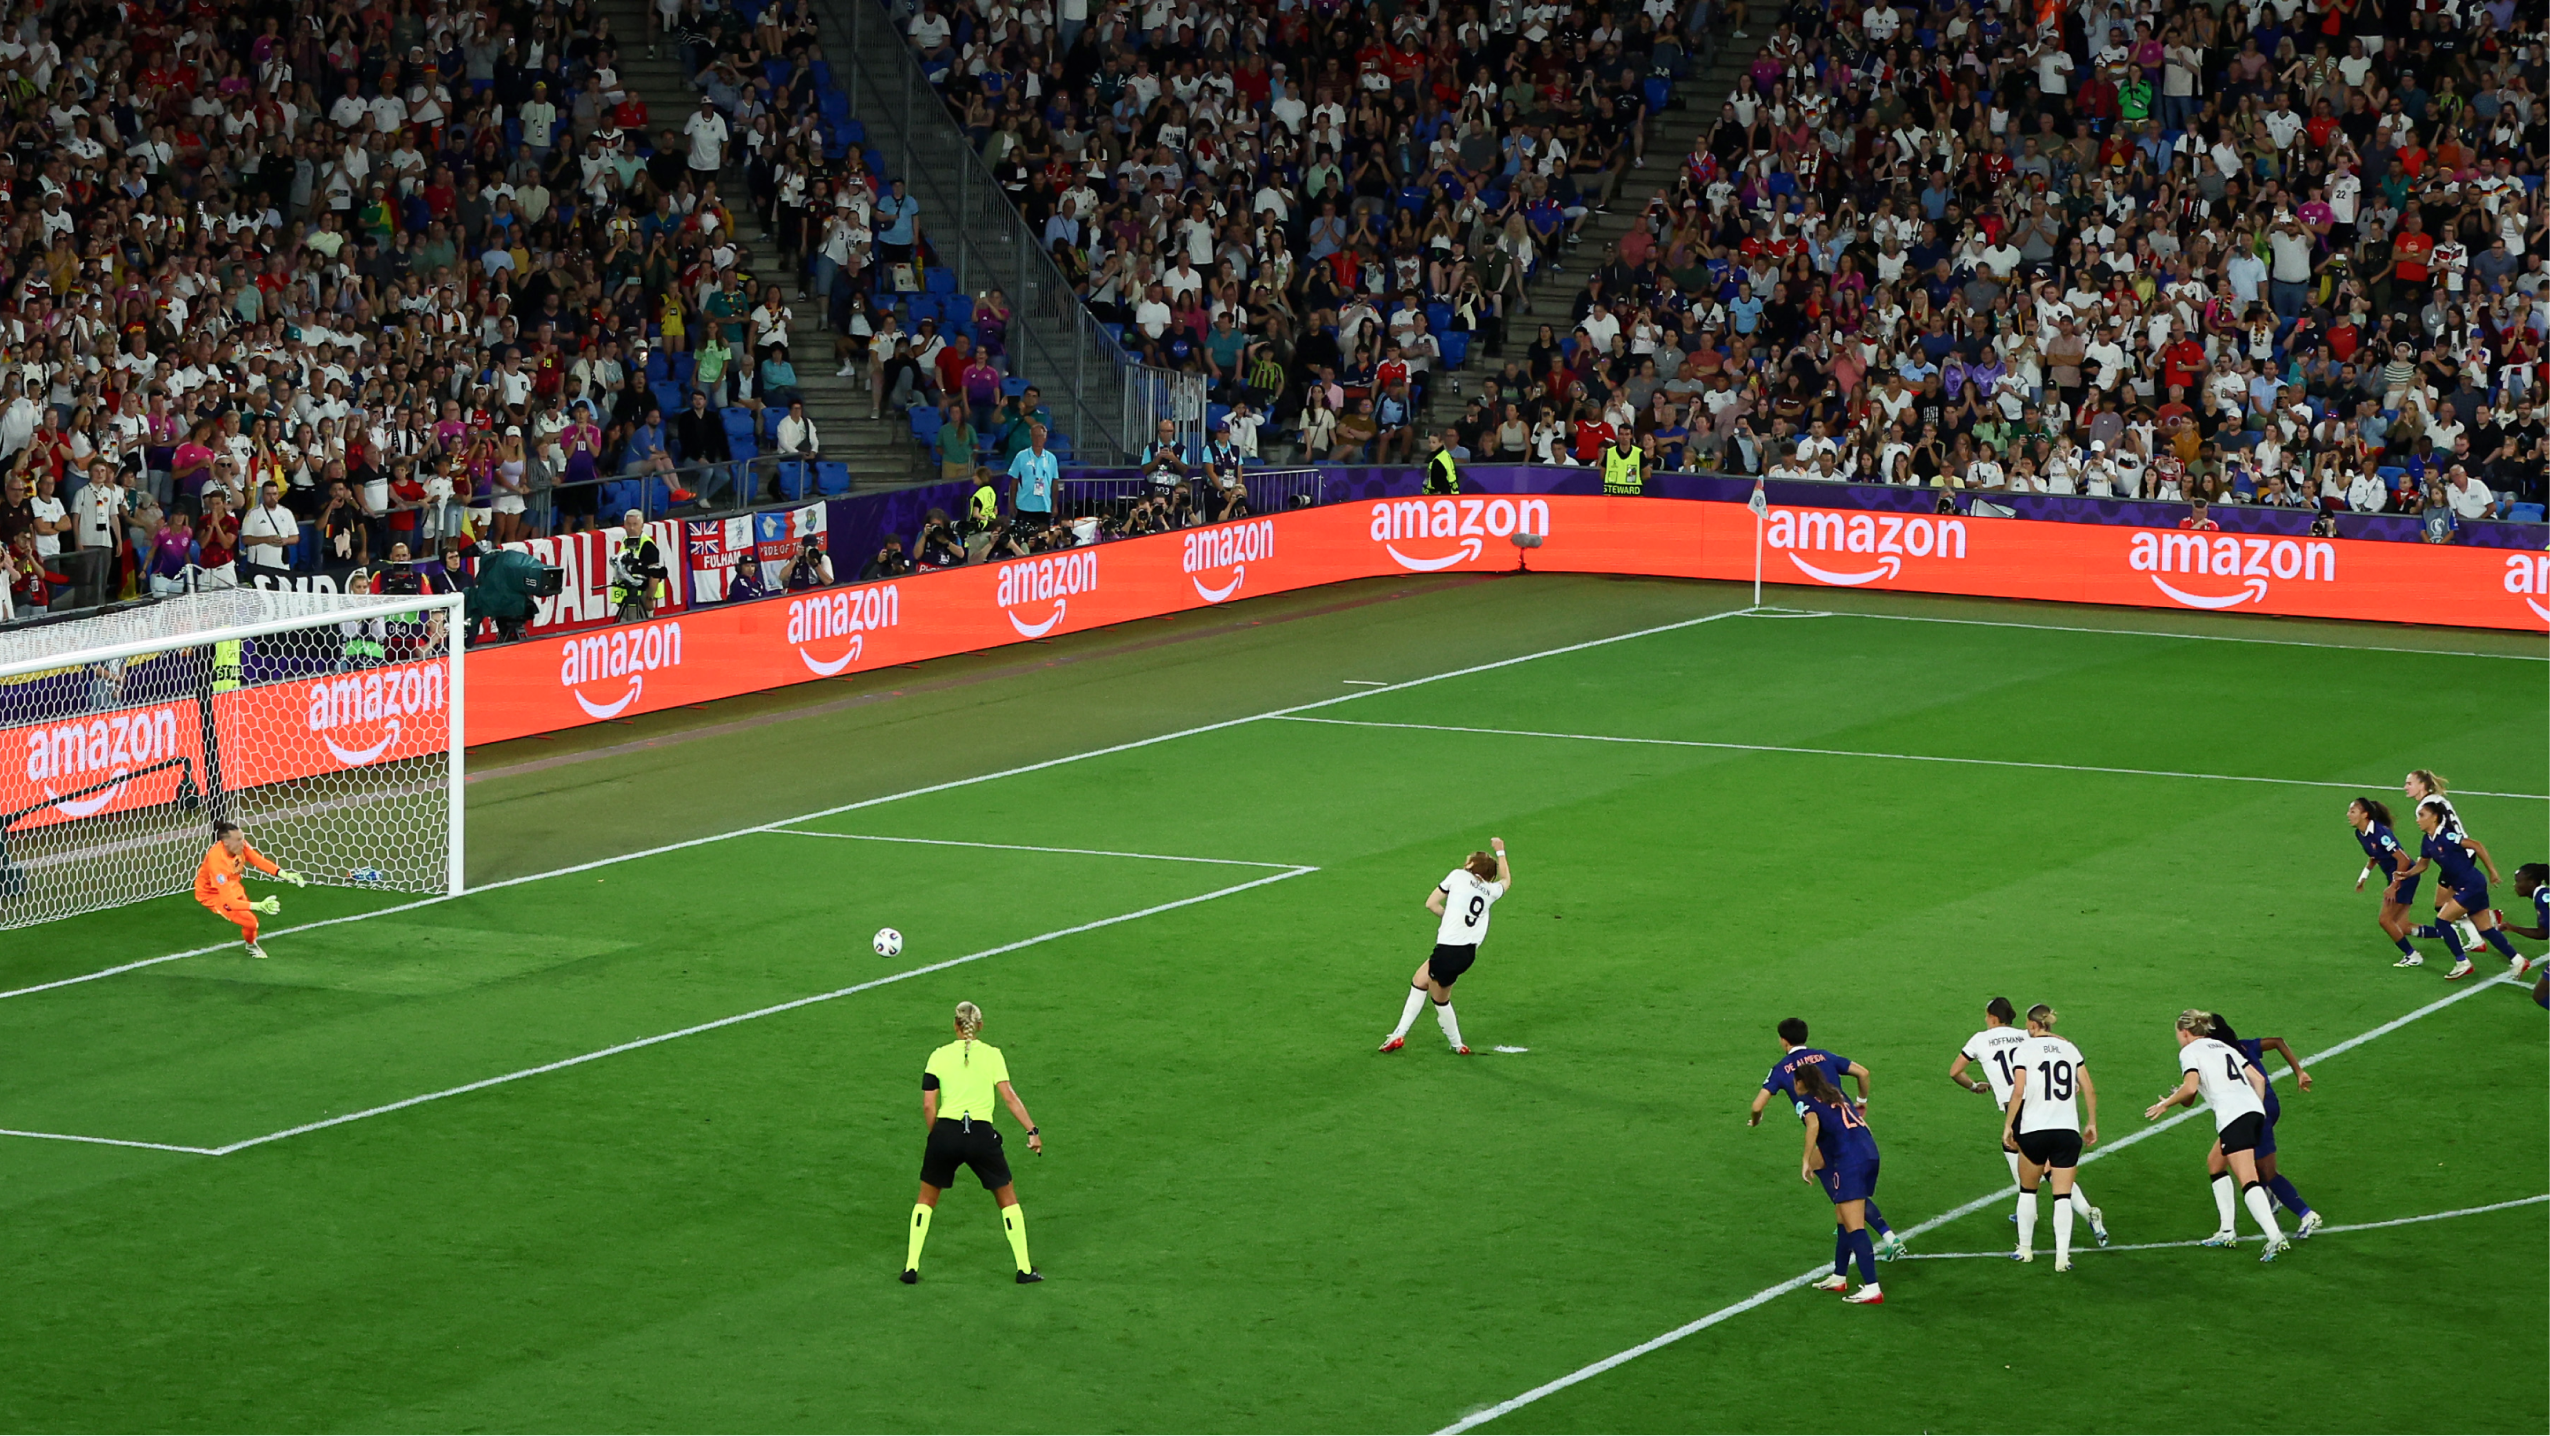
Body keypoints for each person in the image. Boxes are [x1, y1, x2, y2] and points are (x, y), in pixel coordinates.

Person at [903, 1001, 1043, 1284]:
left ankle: (911, 1267)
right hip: (980, 1135)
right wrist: (1031, 1130)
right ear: (980, 1025)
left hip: (945, 1133)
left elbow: (929, 1105)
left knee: (926, 1199)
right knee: (1007, 1199)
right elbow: (1009, 1097)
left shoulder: (938, 1056)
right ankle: (1024, 1269)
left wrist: (937, 1136)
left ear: (955, 1025)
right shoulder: (992, 1055)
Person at [1749, 1016, 1907, 1257]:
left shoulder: (1782, 1068)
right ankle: (1844, 1220)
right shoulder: (1824, 1056)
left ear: (1783, 1041)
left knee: (1846, 1189)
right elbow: (1863, 1073)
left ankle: (1886, 1236)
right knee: (1820, 1167)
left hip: (1831, 1136)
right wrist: (1862, 1102)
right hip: (1852, 1126)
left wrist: (1756, 1120)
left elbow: (1758, 1105)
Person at [1953, 996, 2105, 1245]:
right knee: (2039, 1163)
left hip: (2019, 1108)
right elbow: (2058, 1044)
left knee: (2042, 1167)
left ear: (1992, 1017)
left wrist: (1973, 1086)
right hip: (2041, 1103)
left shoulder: (1979, 1039)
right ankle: (2044, 1209)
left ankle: (2076, 1211)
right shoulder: (2026, 1034)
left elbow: (1954, 1071)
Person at [2144, 1010, 2288, 1261]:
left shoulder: (2189, 1052)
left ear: (2185, 1032)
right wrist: (2254, 1106)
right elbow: (2258, 1079)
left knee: (2248, 1179)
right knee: (2215, 1162)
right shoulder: (2222, 1046)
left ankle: (2275, 1237)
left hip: (2234, 1117)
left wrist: (2166, 1103)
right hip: (2254, 1111)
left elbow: (2190, 1087)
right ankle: (2226, 1230)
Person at [1378, 837, 1510, 1055]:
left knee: (1439, 999)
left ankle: (1456, 1044)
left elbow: (1431, 903)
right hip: (1467, 954)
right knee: (1420, 981)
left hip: (1448, 950)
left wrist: (1447, 917)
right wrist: (1501, 852)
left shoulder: (1458, 876)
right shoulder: (1491, 891)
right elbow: (1506, 880)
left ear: (1470, 866)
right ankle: (1400, 1034)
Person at [2206, 1013, 2323, 1240]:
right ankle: (2256, 1207)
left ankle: (2306, 1214)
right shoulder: (2245, 1046)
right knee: (2225, 1160)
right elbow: (2277, 1041)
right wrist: (2299, 1071)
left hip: (2255, 1113)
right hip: (2269, 1104)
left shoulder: (2223, 1055)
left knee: (2266, 1171)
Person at [2001, 1004, 2100, 1269]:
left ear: (2032, 1025)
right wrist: (2091, 1122)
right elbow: (2088, 1089)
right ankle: (2062, 1257)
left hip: (2034, 1130)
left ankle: (2025, 1249)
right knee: (2063, 1196)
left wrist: (2009, 1125)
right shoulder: (2069, 1048)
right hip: (2067, 1131)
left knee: (2027, 1190)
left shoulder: (2024, 1050)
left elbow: (2019, 1091)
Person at [1796, 1063, 1887, 1305]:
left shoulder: (1807, 1102)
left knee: (1854, 1224)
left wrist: (1806, 1160)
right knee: (1843, 1215)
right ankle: (1839, 1275)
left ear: (1801, 1083)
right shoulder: (1837, 1095)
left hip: (1850, 1161)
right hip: (1869, 1152)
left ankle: (1872, 1288)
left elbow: (1813, 1126)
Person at [2397, 796, 2517, 979]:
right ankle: (2518, 961)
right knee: (2485, 929)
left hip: (2471, 885)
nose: (2417, 819)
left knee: (2442, 921)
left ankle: (2462, 962)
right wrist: (2406, 874)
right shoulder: (2427, 840)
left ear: (2434, 817)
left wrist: (2493, 872)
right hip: (2469, 885)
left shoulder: (2447, 836)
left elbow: (2476, 845)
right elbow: (2423, 865)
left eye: (2421, 815)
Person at [2403, 770, 2487, 958]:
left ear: (2422, 785)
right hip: (2461, 853)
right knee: (2448, 902)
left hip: (2457, 855)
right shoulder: (2437, 799)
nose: (2405, 787)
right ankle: (2477, 934)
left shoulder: (2426, 807)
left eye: (2409, 783)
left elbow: (2439, 834)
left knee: (2443, 905)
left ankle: (2481, 928)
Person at [195, 820, 306, 960]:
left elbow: (257, 860)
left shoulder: (241, 846)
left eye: (242, 838)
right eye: (238, 840)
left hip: (233, 885)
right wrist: (259, 905)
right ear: (226, 842)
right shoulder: (218, 863)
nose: (243, 843)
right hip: (213, 894)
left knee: (251, 921)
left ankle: (250, 941)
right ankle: (251, 945)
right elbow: (230, 902)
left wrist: (285, 874)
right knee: (250, 921)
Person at [2350, 798, 2425, 967]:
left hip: (2405, 876)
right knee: (2401, 925)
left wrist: (2394, 885)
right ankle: (2445, 932)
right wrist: (2363, 877)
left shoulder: (2381, 833)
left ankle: (2413, 955)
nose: (2348, 815)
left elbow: (2403, 860)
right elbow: (2374, 856)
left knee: (2385, 920)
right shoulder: (2360, 834)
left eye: (2353, 811)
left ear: (2365, 814)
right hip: (2397, 877)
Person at [607, 509, 667, 623]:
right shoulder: (626, 541)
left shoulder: (647, 545)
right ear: (624, 525)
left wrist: (650, 598)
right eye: (629, 524)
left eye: (635, 524)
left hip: (640, 596)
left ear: (642, 525)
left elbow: (655, 574)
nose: (632, 528)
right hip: (627, 594)